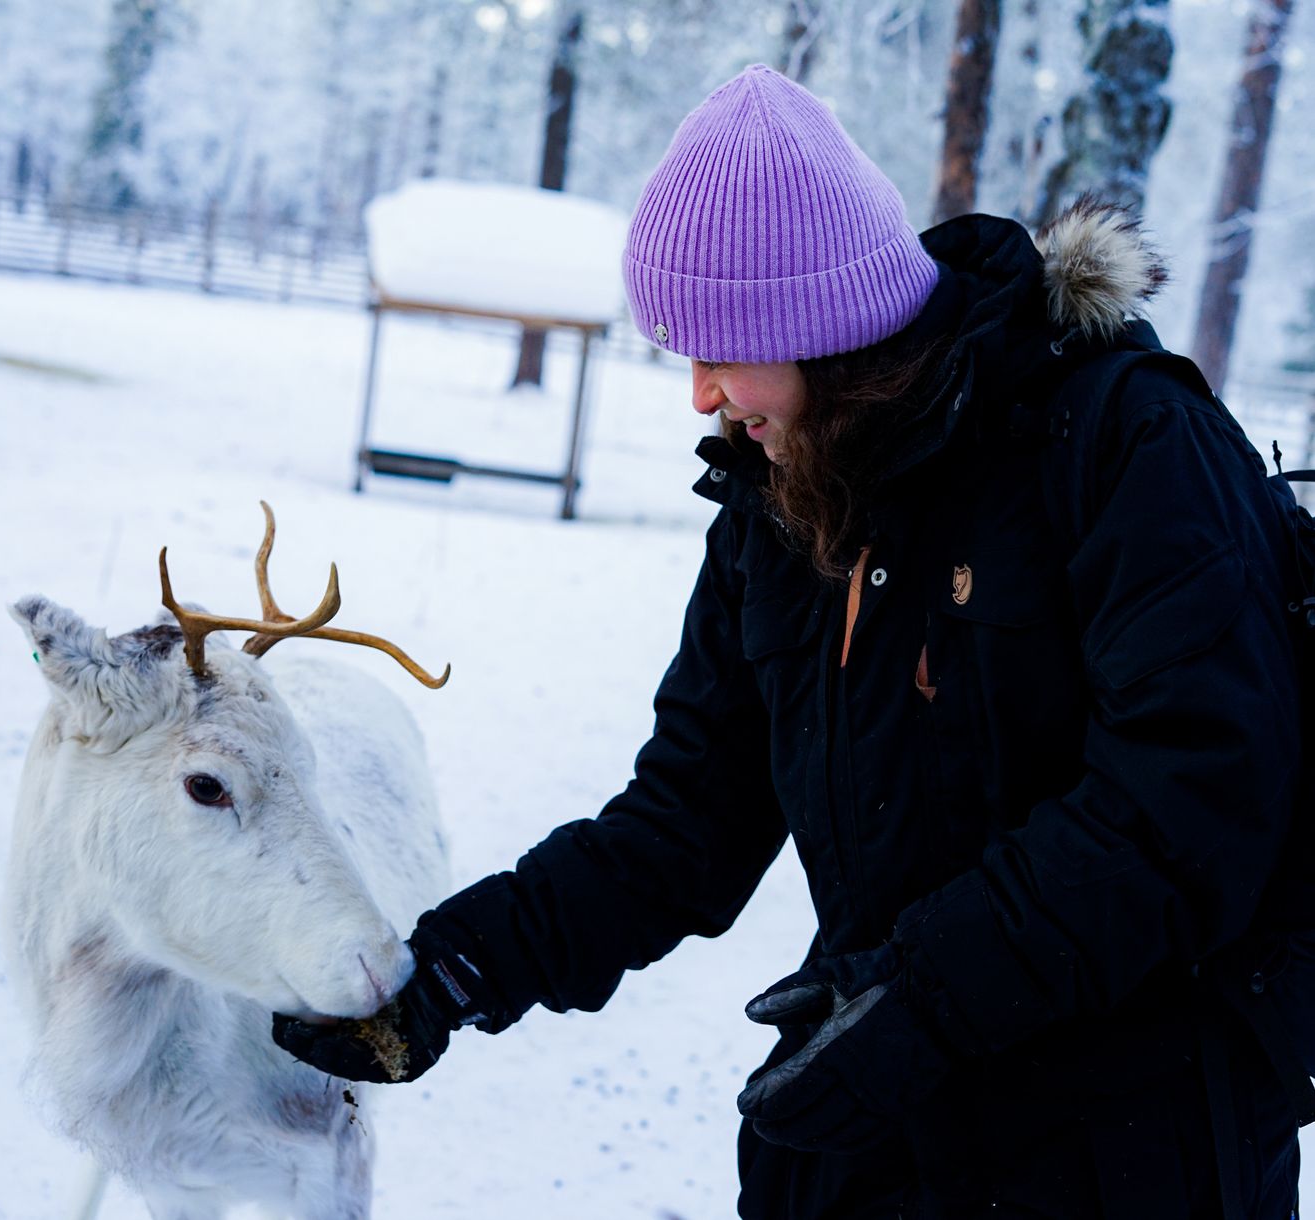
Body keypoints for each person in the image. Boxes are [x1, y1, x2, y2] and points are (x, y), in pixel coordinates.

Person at [274, 65, 1304, 1218]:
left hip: (1132, 1149)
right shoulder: (783, 506)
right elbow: (684, 819)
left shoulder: (1120, 443)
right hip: (880, 1123)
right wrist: (464, 966)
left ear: (821, 326)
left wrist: (914, 1002)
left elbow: (1191, 802)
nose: (702, 393)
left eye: (720, 348)